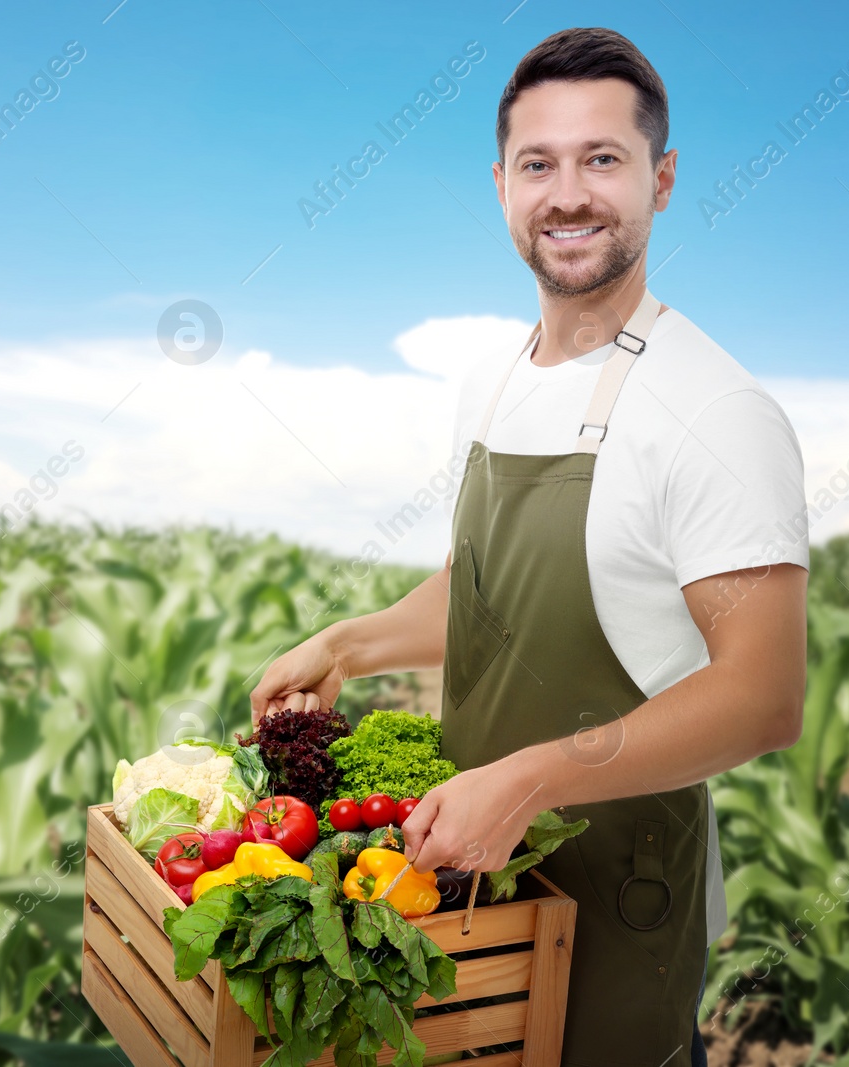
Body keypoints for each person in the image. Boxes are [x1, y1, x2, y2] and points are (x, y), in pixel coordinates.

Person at [251, 26, 809, 1067]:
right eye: (539, 164)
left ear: (663, 179)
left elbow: (762, 694)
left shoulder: (715, 410)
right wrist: (353, 641)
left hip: (614, 891)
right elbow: (488, 592)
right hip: (476, 877)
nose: (569, 194)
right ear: (502, 184)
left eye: (603, 159)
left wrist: (534, 777)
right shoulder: (495, 379)